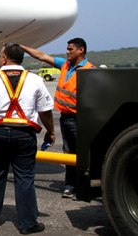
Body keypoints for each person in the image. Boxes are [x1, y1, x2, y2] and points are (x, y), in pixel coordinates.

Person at [0, 43, 56, 234]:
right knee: (25, 178)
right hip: (24, 135)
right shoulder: (35, 80)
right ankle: (27, 224)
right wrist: (50, 131)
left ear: (4, 59)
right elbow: (45, 112)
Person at [20, 38, 95, 198]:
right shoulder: (65, 65)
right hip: (65, 117)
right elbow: (41, 56)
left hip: (80, 119)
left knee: (82, 153)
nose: (67, 52)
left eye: (71, 49)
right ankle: (69, 186)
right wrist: (22, 46)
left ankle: (84, 187)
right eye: (67, 49)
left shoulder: (89, 70)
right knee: (68, 152)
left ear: (81, 50)